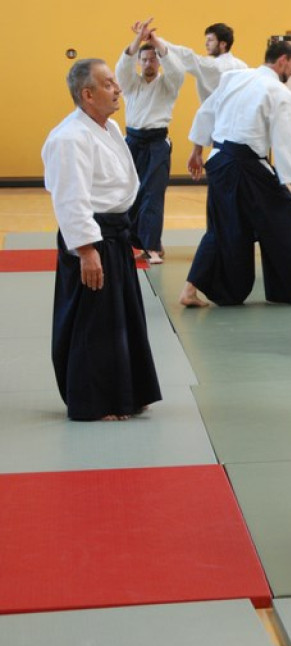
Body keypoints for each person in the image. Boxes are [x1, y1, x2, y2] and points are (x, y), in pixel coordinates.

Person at [178, 40, 291, 308]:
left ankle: (189, 291)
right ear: (282, 61)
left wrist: (197, 150)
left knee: (221, 228)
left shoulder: (234, 78)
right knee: (288, 220)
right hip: (245, 166)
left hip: (218, 161)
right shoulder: (280, 94)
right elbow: (286, 143)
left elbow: (206, 111)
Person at [43, 58, 162, 421]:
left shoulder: (107, 128)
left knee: (120, 319)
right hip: (92, 240)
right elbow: (70, 198)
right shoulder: (69, 138)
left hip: (114, 235)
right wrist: (86, 251)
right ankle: (94, 400)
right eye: (109, 83)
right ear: (87, 94)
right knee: (92, 322)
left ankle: (127, 391)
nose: (118, 89)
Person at [114, 18, 184, 264]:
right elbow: (122, 67)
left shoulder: (168, 84)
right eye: (143, 60)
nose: (147, 64)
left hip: (156, 143)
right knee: (131, 193)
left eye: (152, 59)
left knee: (153, 195)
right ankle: (140, 242)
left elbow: (176, 69)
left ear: (159, 61)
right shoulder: (130, 84)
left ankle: (152, 246)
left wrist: (155, 41)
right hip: (132, 142)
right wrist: (138, 39)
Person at [164, 22, 247, 102]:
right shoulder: (243, 66)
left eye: (210, 40)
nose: (206, 43)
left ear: (223, 44)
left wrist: (157, 43)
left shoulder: (214, 66)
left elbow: (187, 57)